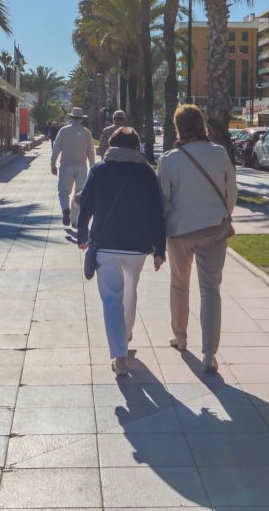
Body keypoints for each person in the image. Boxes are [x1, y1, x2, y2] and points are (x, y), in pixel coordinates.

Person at [76, 127, 166, 377]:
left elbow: (86, 206)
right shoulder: (146, 172)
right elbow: (156, 211)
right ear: (136, 147)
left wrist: (82, 235)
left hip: (105, 244)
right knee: (130, 291)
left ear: (111, 146)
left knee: (111, 299)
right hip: (138, 247)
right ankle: (125, 335)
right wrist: (160, 248)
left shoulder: (99, 170)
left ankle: (119, 354)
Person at [157, 103, 236, 374]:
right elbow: (231, 192)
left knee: (179, 284)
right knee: (210, 289)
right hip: (214, 227)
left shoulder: (168, 160)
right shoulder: (220, 153)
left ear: (178, 128)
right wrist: (224, 216)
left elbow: (163, 201)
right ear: (202, 124)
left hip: (179, 231)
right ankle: (209, 353)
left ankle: (180, 337)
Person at [50, 107, 95, 228]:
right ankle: (74, 220)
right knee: (79, 194)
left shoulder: (63, 131)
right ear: (81, 119)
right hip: (81, 167)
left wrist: (53, 164)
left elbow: (56, 148)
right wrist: (93, 167)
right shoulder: (87, 132)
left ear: (71, 118)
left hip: (66, 166)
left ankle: (65, 209)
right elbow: (91, 152)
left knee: (63, 191)